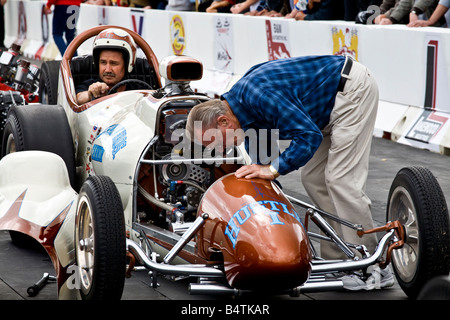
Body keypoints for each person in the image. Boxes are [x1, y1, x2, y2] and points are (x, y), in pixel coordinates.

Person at [186, 55, 394, 290]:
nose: (221, 149)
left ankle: (374, 266)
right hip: (324, 107)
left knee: (341, 181)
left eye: (215, 141)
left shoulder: (259, 95)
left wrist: (274, 170)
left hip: (351, 92)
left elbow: (307, 137)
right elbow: (262, 160)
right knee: (313, 179)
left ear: (223, 122)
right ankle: (340, 259)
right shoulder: (240, 107)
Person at [76, 28, 137, 104]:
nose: (107, 70)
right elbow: (78, 98)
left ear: (127, 64)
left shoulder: (139, 89)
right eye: (103, 62)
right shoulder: (88, 85)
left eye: (114, 63)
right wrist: (90, 94)